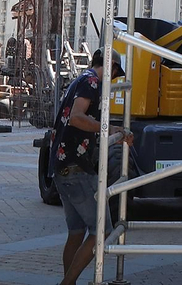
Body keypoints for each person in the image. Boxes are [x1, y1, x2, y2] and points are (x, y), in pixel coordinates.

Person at [51, 49, 131, 285]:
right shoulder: (92, 82)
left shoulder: (81, 79)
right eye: (115, 74)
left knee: (76, 233)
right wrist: (109, 128)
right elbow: (77, 117)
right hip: (76, 168)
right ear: (111, 66)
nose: (113, 80)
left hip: (63, 167)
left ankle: (69, 281)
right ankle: (67, 284)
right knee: (101, 231)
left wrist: (110, 131)